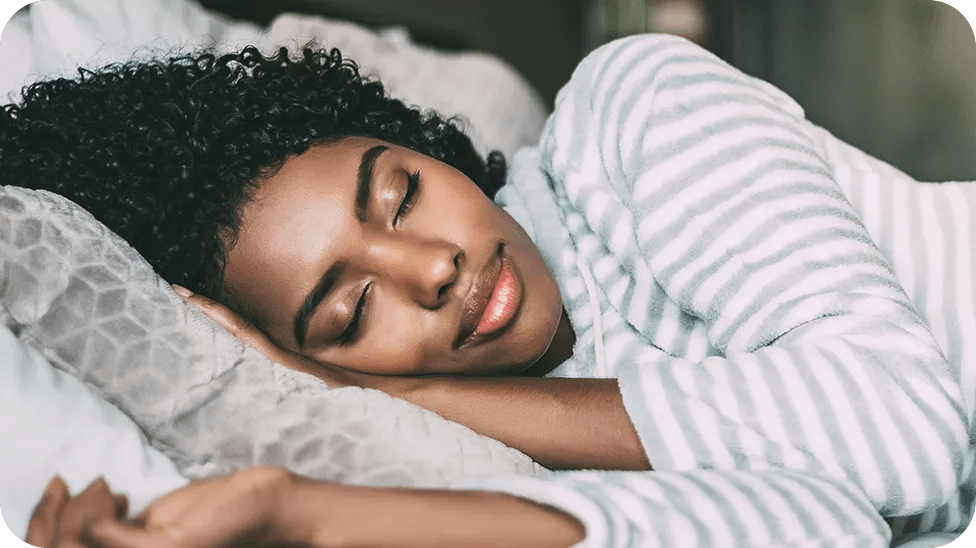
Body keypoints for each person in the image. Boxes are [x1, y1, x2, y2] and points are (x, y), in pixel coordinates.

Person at [6, 34, 971, 547]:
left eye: (401, 192)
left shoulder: (629, 111)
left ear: (425, 143)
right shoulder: (500, 459)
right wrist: (307, 510)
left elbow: (910, 437)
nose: (431, 269)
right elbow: (831, 527)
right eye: (351, 313)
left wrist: (375, 386)